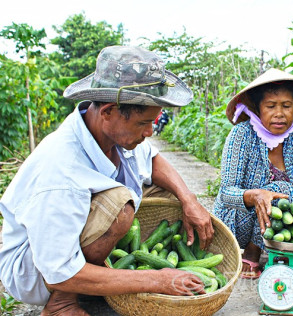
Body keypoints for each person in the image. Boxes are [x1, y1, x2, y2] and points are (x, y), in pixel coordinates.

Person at [0, 46, 214, 315]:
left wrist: (189, 199)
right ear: (108, 112)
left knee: (166, 191)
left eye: (153, 122)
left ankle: (101, 273)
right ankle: (62, 303)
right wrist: (158, 279)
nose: (149, 132)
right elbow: (58, 271)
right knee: (119, 207)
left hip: (63, 245)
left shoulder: (111, 133)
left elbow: (153, 159)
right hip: (35, 270)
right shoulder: (60, 172)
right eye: (143, 124)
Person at [213, 68, 293, 279]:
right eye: (270, 106)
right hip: (241, 220)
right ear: (257, 108)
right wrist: (254, 195)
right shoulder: (241, 135)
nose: (279, 113)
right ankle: (252, 252)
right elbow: (226, 192)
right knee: (280, 190)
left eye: (287, 106)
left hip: (286, 219)